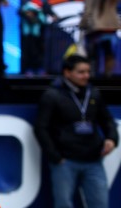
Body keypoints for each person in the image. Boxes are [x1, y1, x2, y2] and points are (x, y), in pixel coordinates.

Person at [34, 54, 118, 208]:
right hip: (65, 161)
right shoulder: (52, 95)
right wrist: (56, 157)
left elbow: (107, 120)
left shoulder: (93, 93)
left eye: (88, 71)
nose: (86, 76)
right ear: (67, 72)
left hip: (93, 159)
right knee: (63, 204)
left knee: (100, 203)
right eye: (81, 72)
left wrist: (112, 138)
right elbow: (41, 128)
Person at [79, 0, 121, 77]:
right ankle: (107, 76)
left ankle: (93, 77)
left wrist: (82, 24)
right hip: (111, 28)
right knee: (109, 54)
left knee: (93, 55)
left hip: (96, 27)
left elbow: (88, 10)